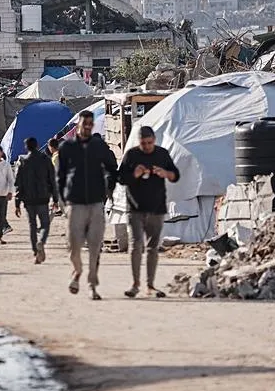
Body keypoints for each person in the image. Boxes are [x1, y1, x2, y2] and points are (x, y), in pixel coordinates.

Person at [57, 110, 118, 300]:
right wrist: (62, 199)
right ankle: (77, 271)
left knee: (95, 246)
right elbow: (60, 175)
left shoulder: (99, 146)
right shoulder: (67, 147)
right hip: (74, 203)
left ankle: (92, 284)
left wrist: (109, 185)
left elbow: (112, 167)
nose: (88, 127)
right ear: (78, 125)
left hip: (96, 202)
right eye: (85, 124)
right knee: (74, 246)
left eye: (91, 124)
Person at [118, 126, 180, 299]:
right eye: (143, 143)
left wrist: (165, 173)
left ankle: (150, 285)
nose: (146, 146)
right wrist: (135, 174)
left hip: (156, 208)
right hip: (135, 208)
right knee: (136, 245)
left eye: (149, 143)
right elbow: (120, 178)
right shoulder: (131, 155)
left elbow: (175, 175)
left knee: (152, 247)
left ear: (154, 140)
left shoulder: (162, 154)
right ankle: (135, 284)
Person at [14, 137, 58, 264]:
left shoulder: (23, 162)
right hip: (43, 198)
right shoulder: (46, 160)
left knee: (32, 225)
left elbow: (18, 184)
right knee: (45, 224)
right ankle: (41, 242)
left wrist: (17, 203)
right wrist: (55, 198)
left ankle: (35, 250)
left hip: (28, 200)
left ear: (26, 147)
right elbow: (52, 180)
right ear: (37, 146)